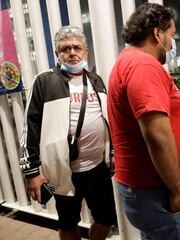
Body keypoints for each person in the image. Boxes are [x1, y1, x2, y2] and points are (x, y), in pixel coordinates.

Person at [107, 3, 180, 240]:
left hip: (147, 189)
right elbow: (156, 136)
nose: (172, 43)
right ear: (158, 33)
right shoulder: (143, 65)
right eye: (172, 35)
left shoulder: (128, 61)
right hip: (158, 191)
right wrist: (178, 191)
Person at [20, 26, 117, 240]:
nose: (72, 52)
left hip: (97, 168)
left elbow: (108, 121)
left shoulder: (96, 80)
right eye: (65, 49)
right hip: (63, 171)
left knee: (106, 219)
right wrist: (32, 173)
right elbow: (30, 128)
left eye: (77, 47)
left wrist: (112, 153)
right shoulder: (44, 81)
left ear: (86, 52)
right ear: (57, 54)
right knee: (67, 222)